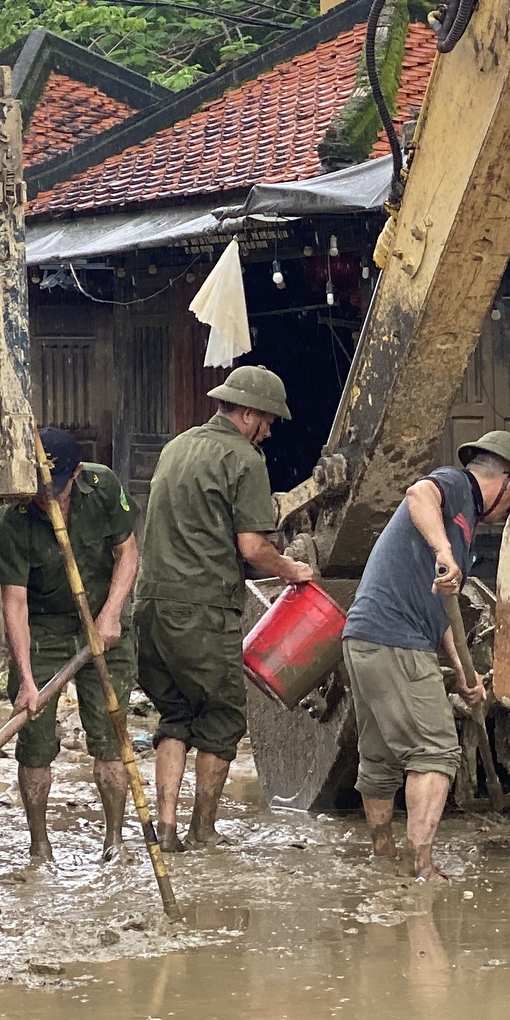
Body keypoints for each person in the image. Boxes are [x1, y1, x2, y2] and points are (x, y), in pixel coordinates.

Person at [130, 364, 314, 851]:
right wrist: (291, 569)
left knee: (174, 716)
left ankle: (165, 828)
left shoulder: (178, 446)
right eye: (268, 420)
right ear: (247, 412)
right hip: (202, 611)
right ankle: (204, 830)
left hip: (148, 609)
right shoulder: (244, 459)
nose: (269, 431)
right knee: (222, 719)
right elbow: (252, 548)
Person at [341, 430, 510, 880]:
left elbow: (442, 616)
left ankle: (384, 854)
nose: (504, 514)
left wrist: (464, 674)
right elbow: (418, 492)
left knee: (381, 757)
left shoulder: (462, 526)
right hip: (395, 638)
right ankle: (419, 864)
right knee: (436, 751)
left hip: (365, 638)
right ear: (508, 482)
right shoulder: (455, 485)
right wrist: (444, 549)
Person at [0, 428, 140, 867]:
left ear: (78, 474)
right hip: (45, 627)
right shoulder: (14, 519)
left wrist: (110, 614)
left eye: (57, 488)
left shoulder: (101, 486)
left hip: (102, 618)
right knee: (34, 740)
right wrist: (27, 682)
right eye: (39, 490)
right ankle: (39, 847)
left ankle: (114, 840)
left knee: (111, 736)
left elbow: (127, 553)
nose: (46, 498)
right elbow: (15, 604)